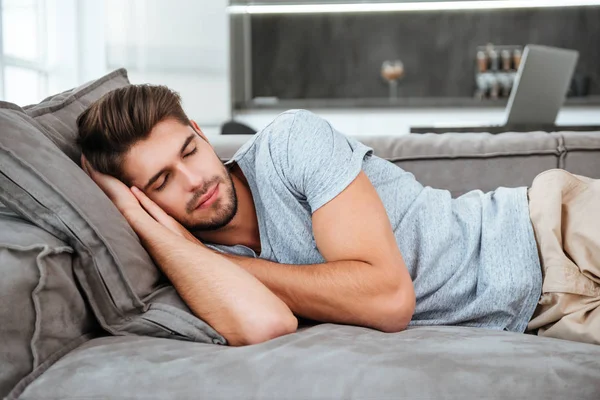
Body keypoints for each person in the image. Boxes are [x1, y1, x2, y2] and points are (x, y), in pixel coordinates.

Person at [77, 84, 600, 347]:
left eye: (189, 152)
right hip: (541, 316)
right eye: (161, 182)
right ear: (139, 199)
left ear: (199, 130)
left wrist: (197, 254)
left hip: (548, 228)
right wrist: (153, 231)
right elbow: (268, 323)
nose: (196, 183)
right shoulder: (196, 267)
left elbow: (390, 299)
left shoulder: (289, 142)